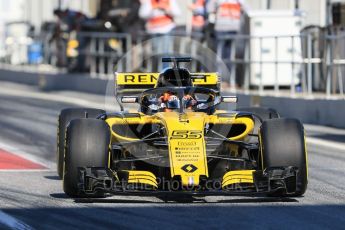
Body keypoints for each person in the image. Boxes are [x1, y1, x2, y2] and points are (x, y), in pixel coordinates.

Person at [207, 0, 247, 74]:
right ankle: (224, 77)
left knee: (221, 53)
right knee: (227, 54)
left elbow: (209, 9)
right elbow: (245, 9)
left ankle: (222, 76)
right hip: (231, 27)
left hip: (223, 28)